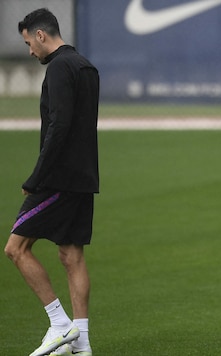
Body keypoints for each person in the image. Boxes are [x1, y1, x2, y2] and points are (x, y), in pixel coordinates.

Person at [4, 8, 99, 356]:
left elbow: (59, 127)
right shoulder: (86, 66)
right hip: (85, 176)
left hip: (58, 178)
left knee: (16, 248)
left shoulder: (59, 67)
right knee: (71, 255)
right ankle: (83, 343)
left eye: (30, 43)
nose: (30, 51)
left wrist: (37, 176)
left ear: (41, 35)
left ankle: (59, 324)